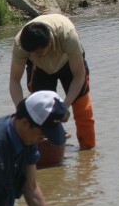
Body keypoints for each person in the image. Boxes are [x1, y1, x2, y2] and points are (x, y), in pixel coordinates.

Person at [9, 12, 95, 150]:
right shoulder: (20, 44)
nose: (40, 56)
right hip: (41, 70)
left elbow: (79, 76)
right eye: (35, 54)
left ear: (50, 40)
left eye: (42, 53)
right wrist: (22, 111)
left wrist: (64, 107)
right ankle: (50, 155)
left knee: (82, 110)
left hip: (68, 63)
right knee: (41, 114)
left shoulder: (68, 35)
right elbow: (14, 80)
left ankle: (87, 152)